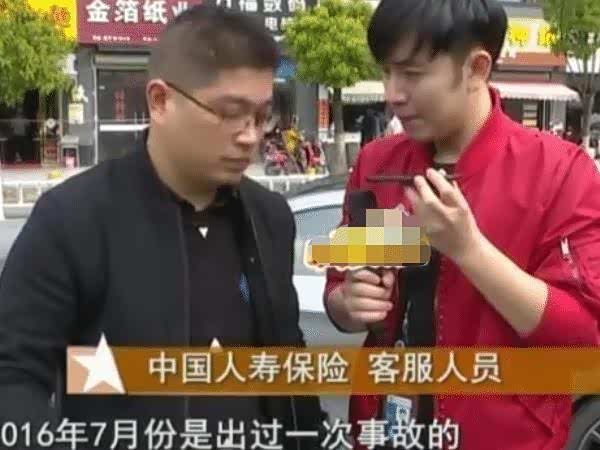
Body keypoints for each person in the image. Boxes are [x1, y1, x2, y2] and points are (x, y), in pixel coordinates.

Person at [0, 5, 326, 450]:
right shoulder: (72, 218)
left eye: (261, 116)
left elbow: (287, 363)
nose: (250, 136)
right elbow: (14, 377)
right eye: (230, 113)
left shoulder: (269, 217)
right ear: (160, 101)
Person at [323, 0, 600, 449]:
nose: (392, 93)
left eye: (411, 74)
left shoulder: (559, 170)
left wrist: (469, 250)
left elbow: (581, 336)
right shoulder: (377, 164)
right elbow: (340, 289)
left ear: (476, 68)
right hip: (384, 428)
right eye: (386, 72)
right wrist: (348, 303)